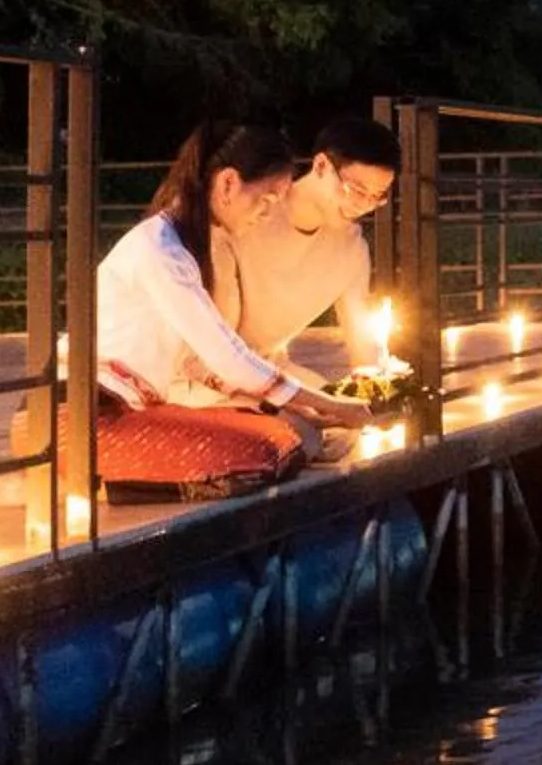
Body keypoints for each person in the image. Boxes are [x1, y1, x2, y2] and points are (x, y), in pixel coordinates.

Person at [92, 123, 374, 492]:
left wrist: (290, 405)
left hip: (135, 409)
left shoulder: (182, 247)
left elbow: (201, 363)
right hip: (92, 419)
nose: (267, 213)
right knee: (269, 447)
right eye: (267, 200)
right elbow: (227, 355)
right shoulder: (159, 250)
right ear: (227, 184)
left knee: (293, 431)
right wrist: (332, 405)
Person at [214, 116, 400, 365]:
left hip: (270, 368)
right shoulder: (250, 213)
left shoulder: (351, 249)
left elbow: (363, 345)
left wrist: (381, 379)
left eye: (377, 196)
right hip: (210, 372)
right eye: (355, 190)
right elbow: (216, 345)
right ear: (321, 166)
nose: (363, 206)